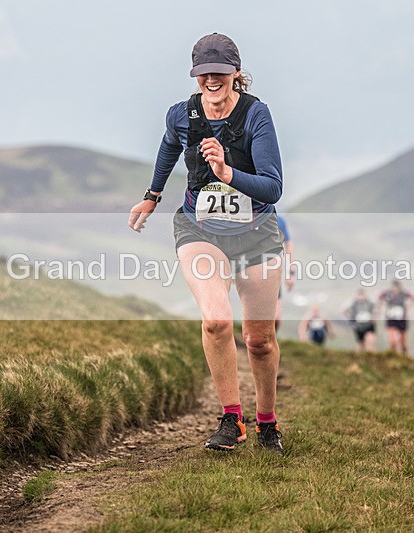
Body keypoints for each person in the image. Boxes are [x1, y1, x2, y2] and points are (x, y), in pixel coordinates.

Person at [128, 33, 284, 454]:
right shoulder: (181, 115)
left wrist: (228, 172)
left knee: (259, 339)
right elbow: (168, 147)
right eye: (203, 73)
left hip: (256, 233)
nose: (211, 80)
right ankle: (232, 419)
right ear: (195, 75)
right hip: (199, 229)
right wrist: (153, 194)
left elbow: (273, 188)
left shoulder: (257, 116)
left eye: (219, 72)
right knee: (216, 321)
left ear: (236, 73)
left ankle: (267, 422)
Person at [378, 281, 414, 354]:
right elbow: (379, 295)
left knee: (403, 342)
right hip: (391, 318)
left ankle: (404, 356)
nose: (395, 289)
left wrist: (408, 306)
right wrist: (383, 307)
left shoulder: (403, 294)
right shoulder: (387, 293)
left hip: (401, 319)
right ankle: (393, 356)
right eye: (394, 288)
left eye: (397, 288)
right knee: (392, 341)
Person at [274, 215, 295, 332]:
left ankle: (270, 346)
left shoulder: (278, 220)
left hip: (272, 273)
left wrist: (290, 273)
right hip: (251, 273)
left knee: (276, 319)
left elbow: (289, 246)